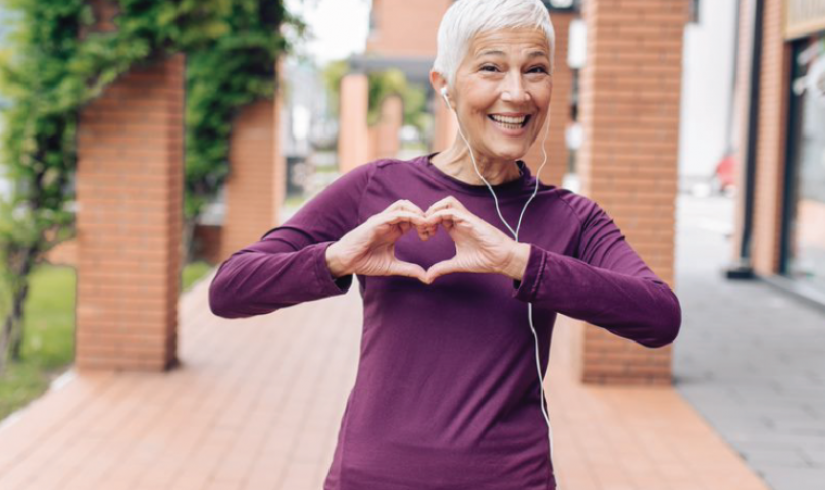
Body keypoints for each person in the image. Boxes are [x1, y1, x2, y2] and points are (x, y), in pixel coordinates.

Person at [208, 0, 682, 488]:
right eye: (491, 68)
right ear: (444, 85)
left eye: (535, 70)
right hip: (373, 479)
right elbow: (228, 290)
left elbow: (660, 316)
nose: (516, 93)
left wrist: (517, 261)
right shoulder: (376, 189)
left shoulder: (572, 217)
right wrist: (335, 258)